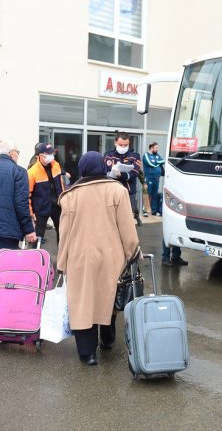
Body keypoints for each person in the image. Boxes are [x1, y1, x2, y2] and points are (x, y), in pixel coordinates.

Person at [57, 151, 139, 366]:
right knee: (108, 296)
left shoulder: (70, 195)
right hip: (112, 255)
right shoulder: (117, 190)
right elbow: (127, 230)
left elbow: (64, 233)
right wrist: (133, 253)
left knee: (83, 302)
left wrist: (62, 262)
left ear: (82, 169)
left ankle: (87, 353)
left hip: (80, 256)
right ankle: (108, 340)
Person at [27, 143, 65, 245]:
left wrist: (64, 201)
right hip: (41, 208)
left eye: (52, 152)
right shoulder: (32, 172)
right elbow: (27, 194)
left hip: (57, 205)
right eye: (48, 153)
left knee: (62, 233)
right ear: (40, 155)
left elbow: (61, 184)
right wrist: (31, 212)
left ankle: (62, 258)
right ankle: (35, 259)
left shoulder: (56, 165)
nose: (51, 155)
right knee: (38, 235)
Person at [104, 131, 143, 226]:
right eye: (121, 145)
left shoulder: (135, 156)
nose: (123, 147)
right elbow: (105, 171)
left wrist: (121, 175)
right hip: (112, 192)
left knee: (127, 220)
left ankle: (129, 239)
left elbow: (134, 174)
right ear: (115, 143)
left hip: (128, 192)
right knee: (112, 219)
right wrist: (111, 173)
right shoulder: (108, 155)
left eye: (126, 145)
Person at [142, 142, 165, 216]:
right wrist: (158, 163)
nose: (157, 149)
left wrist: (157, 162)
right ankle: (145, 211)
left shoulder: (157, 155)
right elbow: (151, 164)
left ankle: (154, 210)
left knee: (154, 195)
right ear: (151, 148)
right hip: (149, 178)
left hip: (157, 179)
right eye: (156, 148)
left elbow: (163, 161)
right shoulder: (146, 155)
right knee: (147, 194)